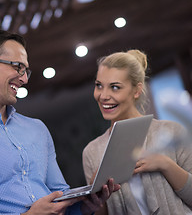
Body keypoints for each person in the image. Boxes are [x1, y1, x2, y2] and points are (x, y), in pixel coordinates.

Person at [0, 29, 119, 215]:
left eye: (25, 70)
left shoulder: (37, 129)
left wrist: (86, 204)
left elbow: (59, 195)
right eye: (17, 66)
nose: (24, 79)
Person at [82, 49, 192, 214]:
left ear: (137, 90)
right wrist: (96, 192)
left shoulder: (171, 131)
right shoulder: (92, 152)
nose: (103, 96)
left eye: (115, 87)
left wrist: (165, 164)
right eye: (99, 86)